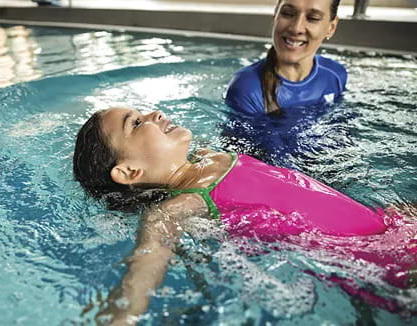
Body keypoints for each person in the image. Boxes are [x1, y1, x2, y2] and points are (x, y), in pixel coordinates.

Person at [73, 107, 416, 324]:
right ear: (129, 171)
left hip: (392, 226)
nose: (156, 114)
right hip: (383, 263)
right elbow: (141, 276)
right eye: (137, 123)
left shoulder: (211, 158)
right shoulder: (176, 208)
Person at [225, 0, 347, 114]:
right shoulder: (248, 89)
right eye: (287, 14)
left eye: (312, 18)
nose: (296, 28)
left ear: (331, 28)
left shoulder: (335, 75)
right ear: (275, 15)